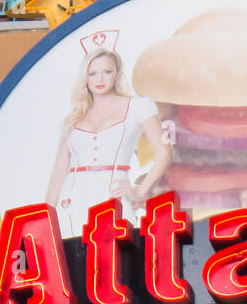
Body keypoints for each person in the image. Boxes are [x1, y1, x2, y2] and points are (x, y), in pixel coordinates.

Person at [46, 46, 170, 235]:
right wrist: (45, 217)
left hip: (112, 194)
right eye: (93, 73)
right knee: (71, 259)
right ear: (85, 78)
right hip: (71, 199)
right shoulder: (74, 115)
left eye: (106, 71)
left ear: (117, 74)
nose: (100, 79)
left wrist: (139, 191)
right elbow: (59, 170)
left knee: (115, 258)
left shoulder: (138, 106)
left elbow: (164, 152)